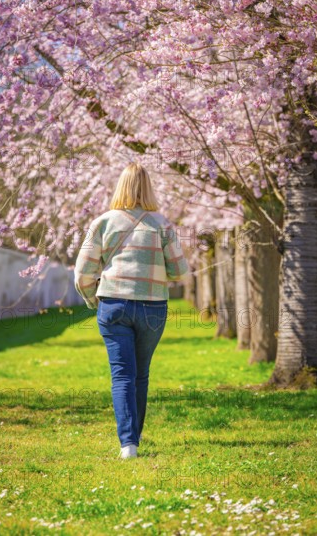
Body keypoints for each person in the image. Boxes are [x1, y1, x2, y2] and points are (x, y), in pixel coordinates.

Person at [74, 162, 189, 459]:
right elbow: (179, 271)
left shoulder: (103, 222)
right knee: (141, 374)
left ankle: (129, 445)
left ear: (120, 187)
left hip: (113, 304)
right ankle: (133, 438)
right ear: (148, 187)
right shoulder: (162, 224)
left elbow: (83, 273)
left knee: (122, 374)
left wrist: (92, 299)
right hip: (153, 308)